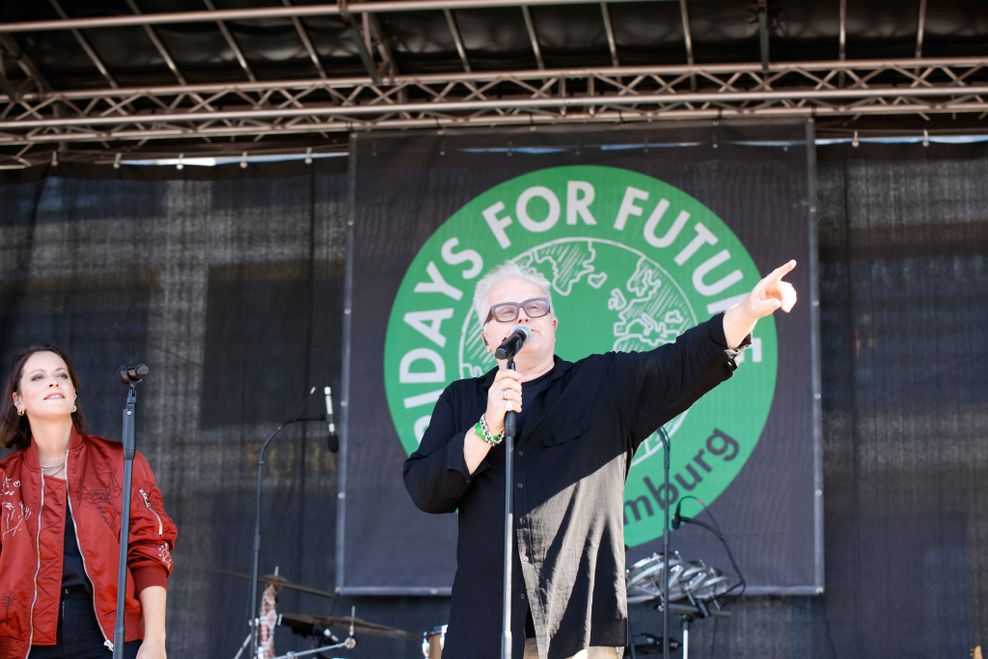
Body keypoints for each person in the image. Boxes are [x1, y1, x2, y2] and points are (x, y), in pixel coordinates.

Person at [404, 259, 797, 659]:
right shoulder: (461, 401)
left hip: (579, 634)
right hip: (485, 634)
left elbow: (683, 363)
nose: (523, 315)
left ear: (553, 325)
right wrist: (486, 428)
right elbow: (425, 490)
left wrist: (747, 310)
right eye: (505, 311)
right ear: (487, 338)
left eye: (535, 307)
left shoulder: (603, 385)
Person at [0, 345, 177, 659]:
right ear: (19, 401)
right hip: (22, 641)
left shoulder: (120, 462)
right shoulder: (5, 480)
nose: (53, 382)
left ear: (73, 395)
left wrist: (155, 641)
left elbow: (150, 551)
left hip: (107, 635)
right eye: (38, 377)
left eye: (61, 376)